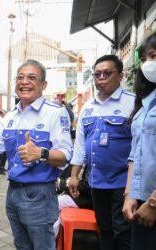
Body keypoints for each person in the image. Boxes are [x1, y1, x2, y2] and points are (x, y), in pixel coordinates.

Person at [0, 59, 73, 250]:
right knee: (21, 246)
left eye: (32, 78)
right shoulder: (10, 117)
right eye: (20, 77)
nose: (24, 82)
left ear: (43, 85)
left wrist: (41, 153)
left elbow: (66, 155)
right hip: (13, 194)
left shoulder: (55, 113)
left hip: (40, 194)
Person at [69, 55, 134, 250]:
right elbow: (80, 145)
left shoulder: (133, 103)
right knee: (104, 229)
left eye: (107, 73)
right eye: (97, 74)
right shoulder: (88, 108)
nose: (101, 78)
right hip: (96, 182)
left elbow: (140, 145)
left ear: (121, 75)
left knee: (123, 231)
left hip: (123, 183)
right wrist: (73, 176)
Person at [122, 32, 156, 250]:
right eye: (144, 59)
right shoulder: (145, 103)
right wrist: (130, 195)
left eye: (153, 56)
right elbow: (136, 153)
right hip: (142, 203)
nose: (148, 64)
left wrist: (154, 203)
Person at [53, 165, 92, 237]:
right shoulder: (76, 157)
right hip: (70, 193)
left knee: (52, 204)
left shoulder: (90, 157)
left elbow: (88, 186)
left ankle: (49, 241)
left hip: (83, 198)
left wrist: (62, 183)